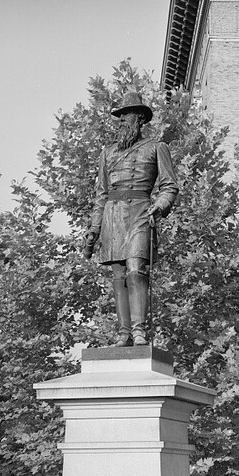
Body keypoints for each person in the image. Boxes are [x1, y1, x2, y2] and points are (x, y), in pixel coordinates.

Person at [84, 91, 179, 346]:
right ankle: (123, 333)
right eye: (120, 115)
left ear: (140, 118)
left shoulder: (157, 148)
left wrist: (160, 206)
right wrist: (94, 228)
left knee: (136, 269)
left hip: (140, 211)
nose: (122, 119)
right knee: (119, 275)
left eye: (127, 114)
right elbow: (101, 195)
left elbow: (170, 186)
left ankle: (139, 330)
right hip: (113, 216)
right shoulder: (108, 153)